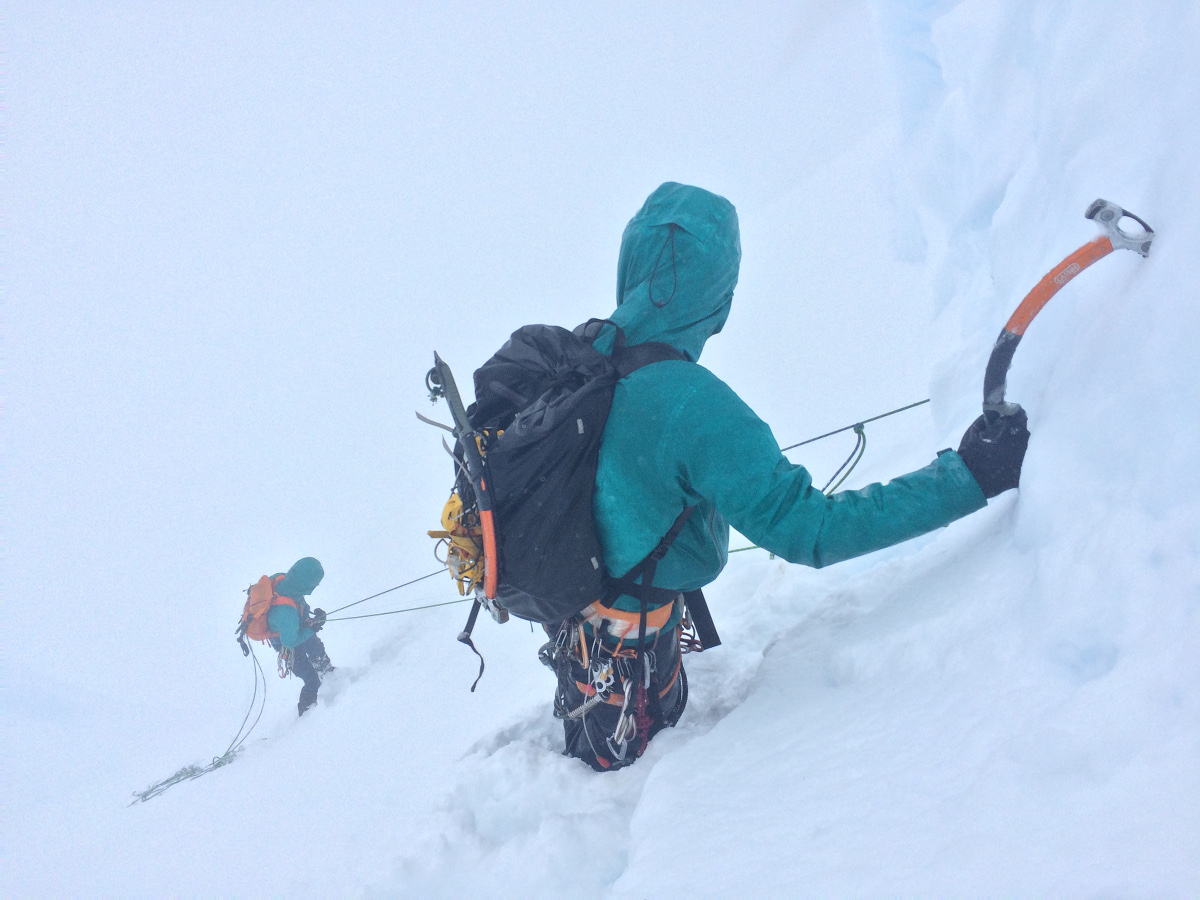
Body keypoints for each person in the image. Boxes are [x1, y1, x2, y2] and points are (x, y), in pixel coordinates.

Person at [554, 183, 1029, 770]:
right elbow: (812, 531)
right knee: (628, 782)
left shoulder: (577, 357)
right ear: (717, 295)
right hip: (634, 672)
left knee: (588, 764)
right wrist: (969, 478)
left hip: (582, 639)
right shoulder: (691, 405)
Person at [268, 557, 334, 716]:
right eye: (315, 583)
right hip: (286, 642)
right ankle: (307, 715)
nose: (316, 586)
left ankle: (328, 673)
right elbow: (290, 641)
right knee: (311, 679)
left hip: (293, 625)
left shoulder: (285, 580)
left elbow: (296, 601)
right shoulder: (286, 612)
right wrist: (312, 628)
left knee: (315, 648)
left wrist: (310, 620)